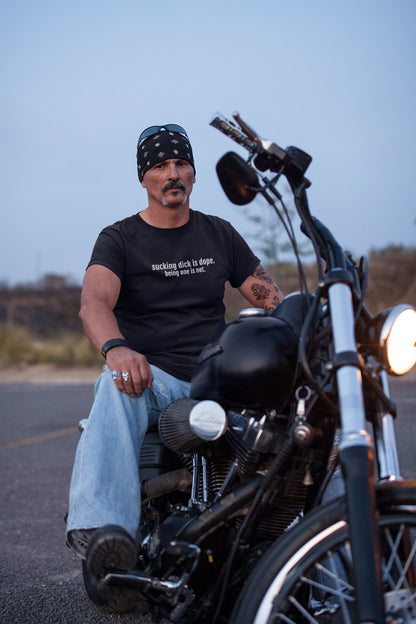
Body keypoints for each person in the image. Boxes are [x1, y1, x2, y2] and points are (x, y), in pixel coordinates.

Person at [66, 124, 284, 607]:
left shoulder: (218, 233)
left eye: (181, 163)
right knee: (115, 383)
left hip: (217, 377)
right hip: (155, 378)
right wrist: (116, 348)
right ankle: (104, 536)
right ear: (144, 177)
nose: (173, 174)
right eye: (160, 165)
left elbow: (271, 297)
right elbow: (94, 302)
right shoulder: (120, 238)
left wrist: (302, 326)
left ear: (193, 173)